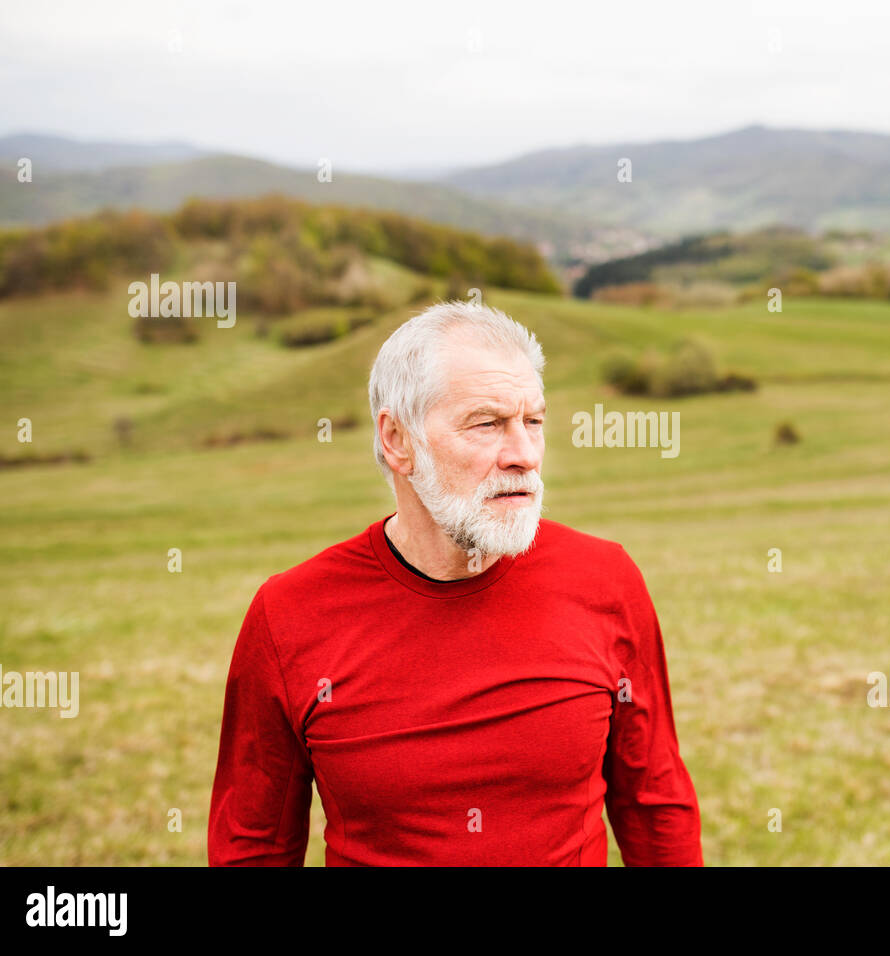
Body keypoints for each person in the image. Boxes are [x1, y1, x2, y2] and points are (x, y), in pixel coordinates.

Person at [207, 299, 703, 866]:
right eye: (487, 423)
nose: (523, 454)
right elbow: (253, 846)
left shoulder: (605, 579)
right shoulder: (289, 614)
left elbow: (654, 803)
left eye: (533, 421)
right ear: (398, 440)